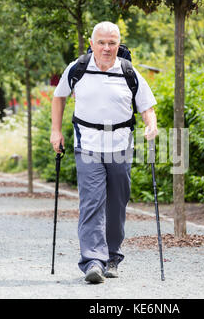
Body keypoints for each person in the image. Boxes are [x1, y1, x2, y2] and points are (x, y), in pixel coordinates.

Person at [50, 21, 158, 284]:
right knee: (91, 202)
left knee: (117, 204)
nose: (107, 48)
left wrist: (151, 126)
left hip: (120, 146)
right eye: (102, 42)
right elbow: (59, 96)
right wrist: (56, 130)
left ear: (119, 44)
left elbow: (147, 107)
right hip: (87, 145)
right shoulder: (78, 69)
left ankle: (111, 257)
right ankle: (92, 261)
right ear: (92, 43)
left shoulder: (129, 72)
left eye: (112, 43)